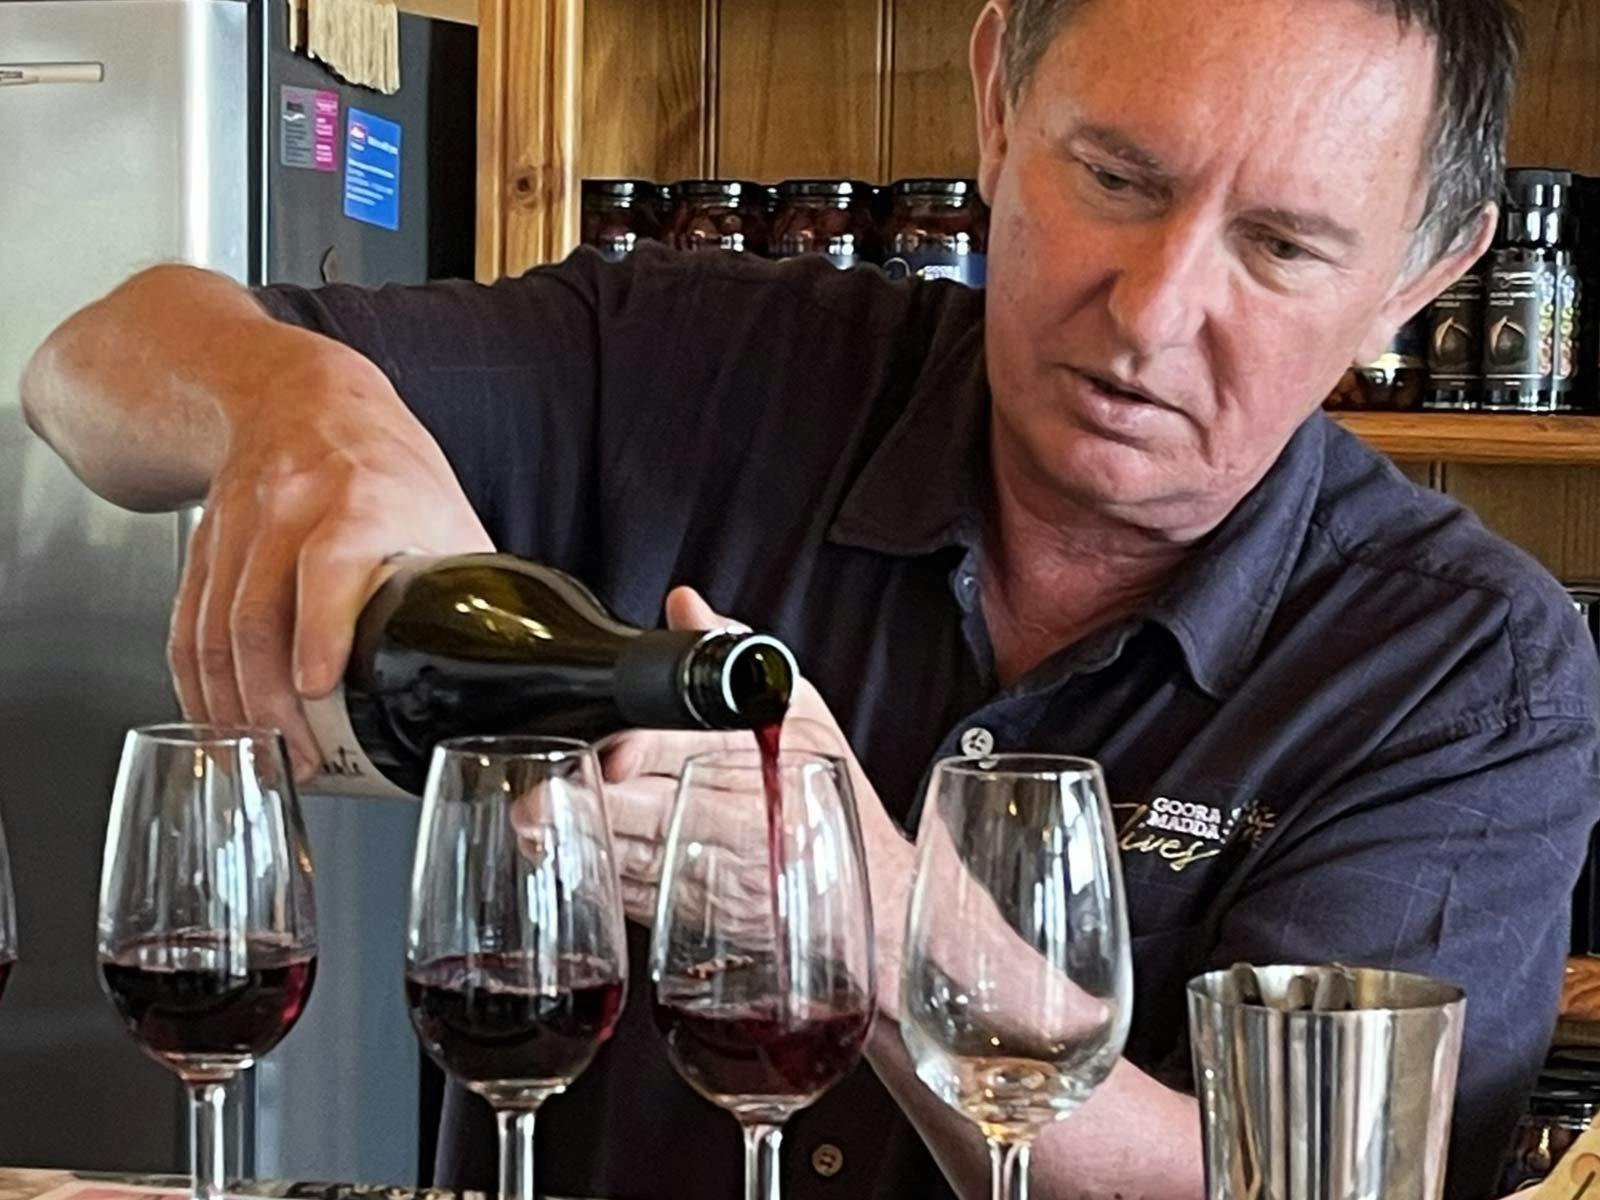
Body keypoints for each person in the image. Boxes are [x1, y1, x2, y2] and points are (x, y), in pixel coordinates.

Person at [20, 0, 1600, 1194]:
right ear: (995, 99)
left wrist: (876, 906)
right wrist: (307, 406)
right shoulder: (695, 362)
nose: (1156, 310)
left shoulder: (1468, 672)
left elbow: (1300, 1186)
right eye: (1114, 175)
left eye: (1280, 245)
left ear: (1424, 275)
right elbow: (89, 364)